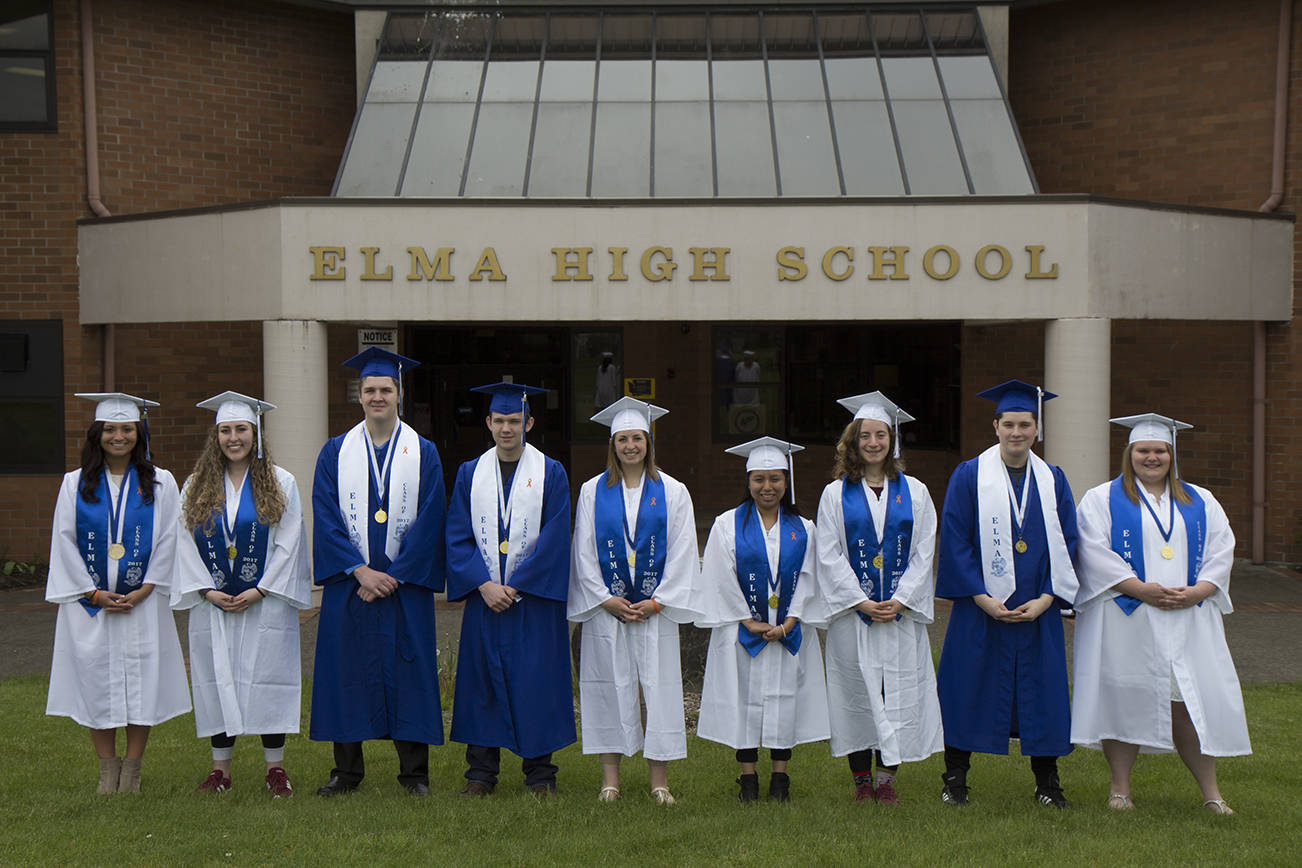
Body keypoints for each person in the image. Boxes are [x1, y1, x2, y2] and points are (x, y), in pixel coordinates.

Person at [1071, 413, 1250, 815]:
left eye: (1159, 451)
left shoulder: (1201, 499)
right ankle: (1120, 789)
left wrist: (1201, 590)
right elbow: (1092, 551)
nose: (1151, 458)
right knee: (1124, 696)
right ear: (1129, 453)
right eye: (1143, 451)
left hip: (1189, 615)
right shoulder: (1101, 499)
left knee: (1190, 700)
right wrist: (1139, 588)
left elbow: (1223, 549)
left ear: (1172, 455)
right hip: (1127, 614)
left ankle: (1212, 793)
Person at [935, 379, 1079, 808]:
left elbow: (1069, 541)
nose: (1017, 433)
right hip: (982, 608)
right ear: (995, 426)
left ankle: (1048, 784)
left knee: (1044, 692)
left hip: (1037, 607)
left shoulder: (1053, 479)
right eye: (1009, 424)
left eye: (1026, 425)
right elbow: (956, 539)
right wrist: (980, 597)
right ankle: (955, 780)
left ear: (1038, 429)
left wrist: (1049, 598)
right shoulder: (969, 475)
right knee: (966, 687)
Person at [310, 348, 447, 796]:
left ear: (399, 393)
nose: (377, 397)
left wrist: (395, 575)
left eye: (385, 389)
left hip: (402, 588)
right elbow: (325, 514)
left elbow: (431, 518)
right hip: (352, 586)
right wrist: (359, 571)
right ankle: (347, 772)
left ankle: (415, 775)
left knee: (409, 671)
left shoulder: (423, 452)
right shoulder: (335, 451)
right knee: (345, 671)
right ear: (359, 395)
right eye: (370, 390)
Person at [46, 393, 190, 794]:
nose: (119, 436)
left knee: (143, 682)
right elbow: (64, 539)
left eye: (127, 428)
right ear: (97, 434)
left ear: (138, 432)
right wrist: (91, 594)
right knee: (96, 681)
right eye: (110, 429)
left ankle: (133, 771)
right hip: (90, 605)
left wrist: (146, 588)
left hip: (142, 603)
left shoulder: (161, 482)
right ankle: (107, 771)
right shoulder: (74, 483)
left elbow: (169, 538)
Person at [173, 392, 311, 797]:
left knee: (269, 679)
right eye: (226, 430)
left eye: (241, 430)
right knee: (216, 679)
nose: (234, 438)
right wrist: (206, 590)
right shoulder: (196, 485)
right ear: (215, 436)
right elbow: (181, 542)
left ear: (256, 434)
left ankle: (275, 770)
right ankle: (221, 772)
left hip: (264, 602)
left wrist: (261, 589)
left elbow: (291, 541)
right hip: (213, 603)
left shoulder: (282, 481)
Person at [569, 396, 700, 805]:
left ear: (648, 442)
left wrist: (658, 602)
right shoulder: (593, 491)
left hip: (653, 612)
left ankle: (659, 782)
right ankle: (611, 780)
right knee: (608, 686)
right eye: (622, 439)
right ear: (612, 444)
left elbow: (683, 549)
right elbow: (583, 551)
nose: (630, 446)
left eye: (637, 438)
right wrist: (605, 598)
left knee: (658, 691)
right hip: (608, 612)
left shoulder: (674, 491)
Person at [447, 382, 575, 797]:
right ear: (488, 422)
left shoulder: (551, 472)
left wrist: (515, 588)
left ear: (529, 423)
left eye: (514, 421)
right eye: (499, 420)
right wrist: (484, 585)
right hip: (486, 600)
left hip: (531, 602)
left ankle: (540, 774)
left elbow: (557, 537)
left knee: (535, 683)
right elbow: (457, 534)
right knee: (481, 683)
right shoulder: (470, 472)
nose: (507, 428)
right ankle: (480, 774)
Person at [815, 392, 943, 804]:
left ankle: (886, 780)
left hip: (899, 614)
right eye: (865, 435)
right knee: (856, 692)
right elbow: (828, 553)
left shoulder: (916, 491)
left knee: (898, 693)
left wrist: (903, 599)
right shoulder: (834, 494)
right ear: (852, 442)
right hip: (856, 614)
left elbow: (926, 549)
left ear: (893, 440)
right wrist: (859, 600)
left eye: (880, 435)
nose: (873, 442)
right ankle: (861, 781)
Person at [697, 436, 828, 803]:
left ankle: (780, 781)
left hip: (788, 632)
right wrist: (747, 620)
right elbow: (719, 575)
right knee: (745, 702)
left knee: (786, 703)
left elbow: (809, 576)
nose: (767, 487)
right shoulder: (727, 525)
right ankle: (748, 780)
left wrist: (790, 620)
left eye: (775, 479)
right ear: (748, 481)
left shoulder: (804, 528)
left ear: (787, 482)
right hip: (743, 634)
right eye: (759, 479)